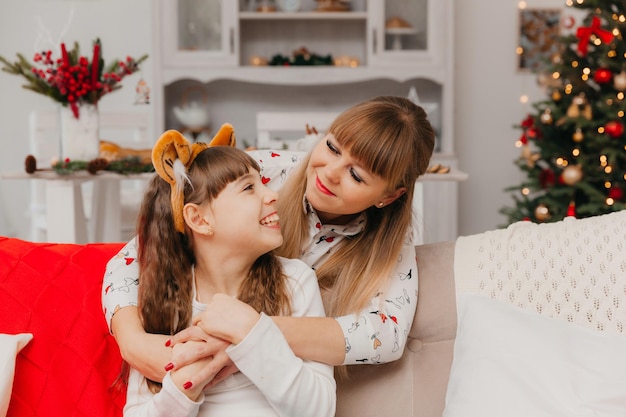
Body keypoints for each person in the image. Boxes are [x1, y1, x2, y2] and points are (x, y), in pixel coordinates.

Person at [102, 95, 435, 388]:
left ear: (389, 196)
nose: (329, 172)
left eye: (356, 175)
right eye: (332, 147)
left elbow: (387, 335)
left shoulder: (389, 243)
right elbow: (134, 257)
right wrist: (133, 342)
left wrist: (250, 333)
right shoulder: (261, 170)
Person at [122, 133, 335, 416]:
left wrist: (251, 331)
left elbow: (319, 410)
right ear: (199, 219)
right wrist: (185, 385)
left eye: (264, 183)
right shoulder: (161, 296)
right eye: (249, 188)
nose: (273, 195)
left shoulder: (295, 280)